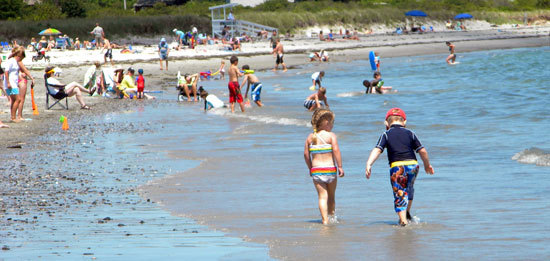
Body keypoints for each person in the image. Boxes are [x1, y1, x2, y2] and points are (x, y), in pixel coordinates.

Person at [365, 108, 434, 226]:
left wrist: (369, 163)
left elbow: (378, 150)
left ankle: (403, 221)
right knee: (409, 187)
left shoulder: (385, 134)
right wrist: (427, 165)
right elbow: (422, 151)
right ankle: (406, 212)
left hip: (397, 167)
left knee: (399, 191)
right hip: (413, 165)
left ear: (386, 123)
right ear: (405, 122)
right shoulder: (411, 133)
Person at [303, 109, 344, 225]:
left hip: (316, 170)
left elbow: (306, 155)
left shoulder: (310, 137)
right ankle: (331, 217)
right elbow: (336, 151)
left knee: (322, 197)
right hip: (330, 169)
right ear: (326, 123)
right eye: (332, 123)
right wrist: (340, 166)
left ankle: (325, 221)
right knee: (331, 197)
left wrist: (310, 167)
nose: (332, 126)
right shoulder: (331, 136)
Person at [3, 47, 36, 122]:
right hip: (10, 84)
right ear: (19, 56)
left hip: (13, 83)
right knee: (18, 99)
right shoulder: (11, 61)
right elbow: (6, 72)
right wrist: (8, 83)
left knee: (14, 100)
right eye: (21, 58)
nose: (21, 60)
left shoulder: (15, 62)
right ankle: (13, 118)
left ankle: (13, 117)